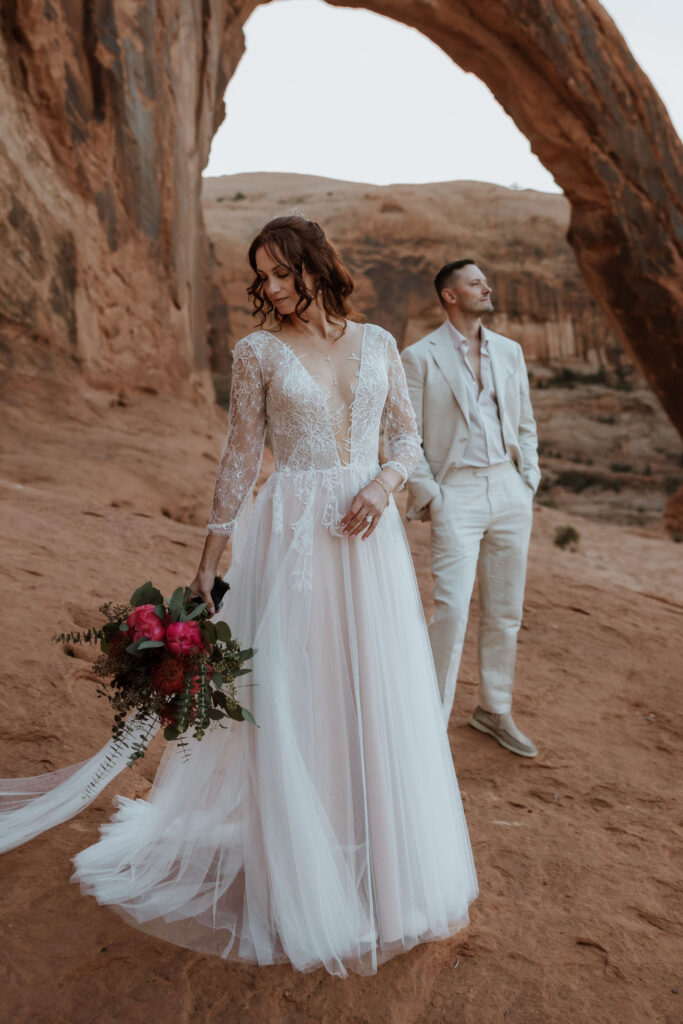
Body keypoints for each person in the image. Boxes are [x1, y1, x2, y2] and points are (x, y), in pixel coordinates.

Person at [0, 218, 477, 977]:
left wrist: (383, 489)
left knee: (371, 695)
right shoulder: (256, 352)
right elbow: (238, 461)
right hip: (287, 540)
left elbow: (406, 442)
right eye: (263, 276)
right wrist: (206, 573)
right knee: (291, 694)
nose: (273, 288)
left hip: (368, 546)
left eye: (283, 272)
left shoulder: (381, 343)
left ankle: (379, 872)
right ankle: (304, 875)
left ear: (315, 265)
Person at [401, 259, 540, 758]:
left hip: (508, 488)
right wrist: (429, 492)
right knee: (453, 609)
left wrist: (528, 479)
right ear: (450, 296)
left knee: (505, 610)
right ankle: (431, 723)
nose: (488, 287)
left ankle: (494, 709)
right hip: (455, 490)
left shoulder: (509, 350)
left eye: (486, 281)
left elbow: (524, 420)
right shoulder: (418, 357)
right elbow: (402, 435)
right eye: (475, 282)